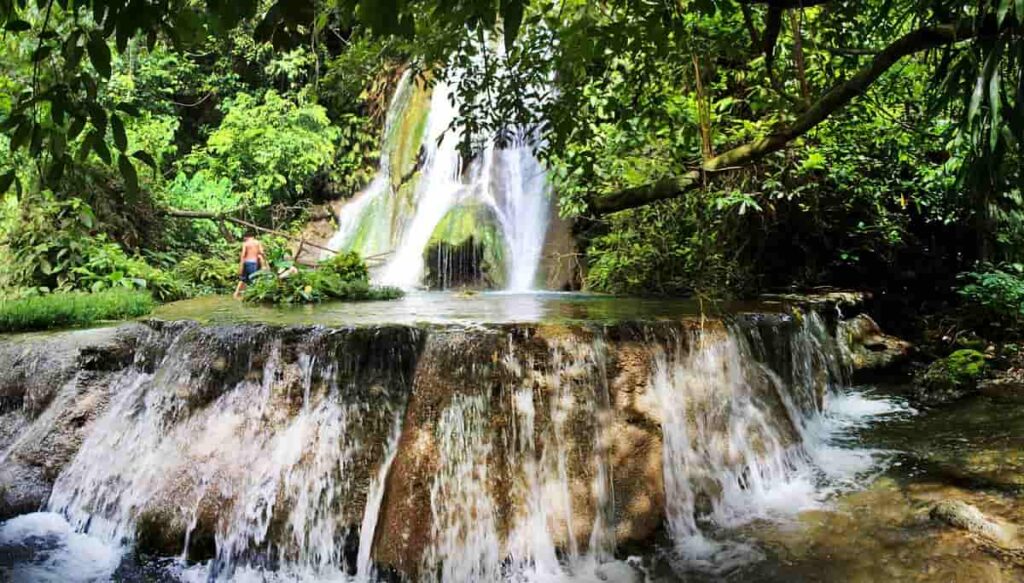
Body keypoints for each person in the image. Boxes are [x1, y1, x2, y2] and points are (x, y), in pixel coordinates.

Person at [233, 231, 267, 299]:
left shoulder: (245, 244)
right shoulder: (257, 242)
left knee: (242, 279)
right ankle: (252, 296)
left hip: (246, 262)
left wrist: (241, 265)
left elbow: (243, 255)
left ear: (247, 237)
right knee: (253, 279)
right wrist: (265, 261)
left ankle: (235, 294)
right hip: (253, 263)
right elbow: (262, 252)